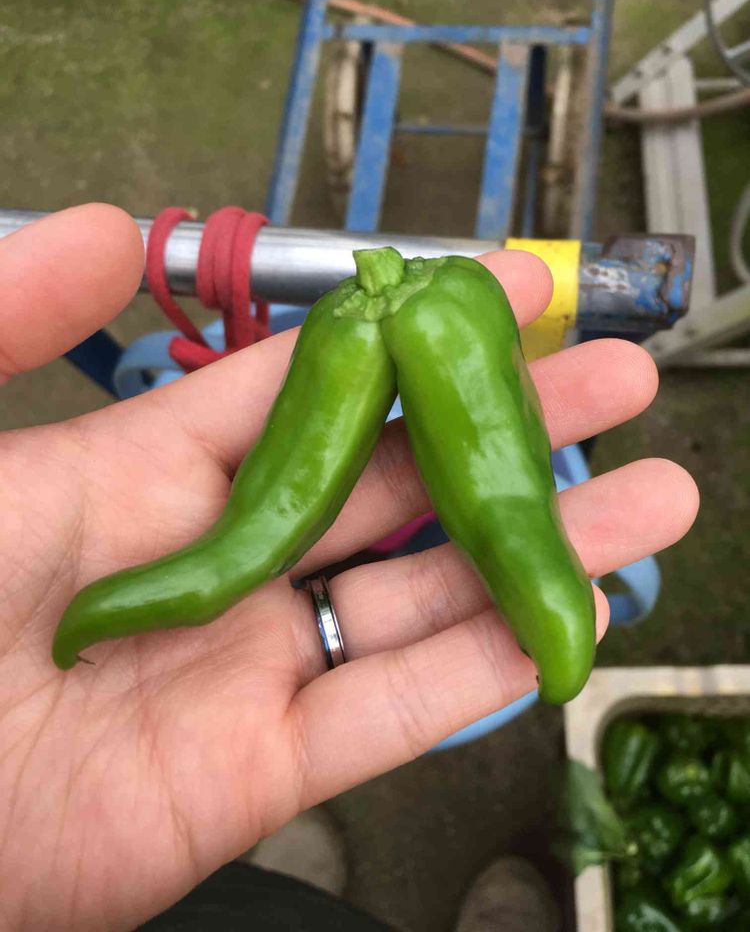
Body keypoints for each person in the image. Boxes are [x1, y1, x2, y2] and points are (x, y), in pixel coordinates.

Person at [0, 204, 699, 930]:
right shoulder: (422, 310)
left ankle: (265, 886)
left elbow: (507, 505)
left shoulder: (428, 308)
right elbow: (242, 547)